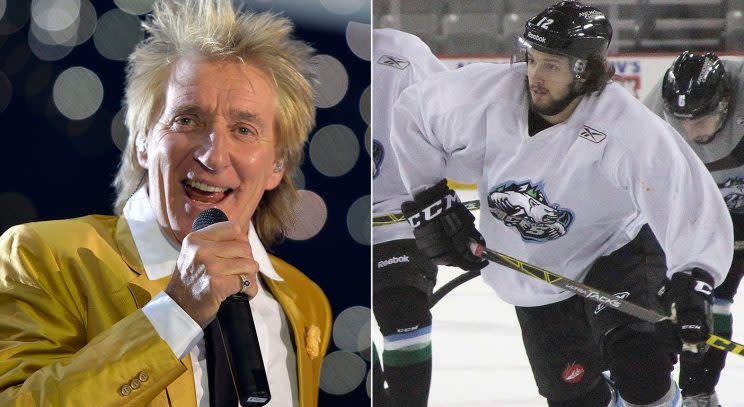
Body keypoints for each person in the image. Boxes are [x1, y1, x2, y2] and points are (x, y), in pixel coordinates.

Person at [389, 1, 733, 406]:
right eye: (531, 60)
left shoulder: (625, 127)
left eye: (551, 65)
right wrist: (433, 201)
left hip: (616, 253)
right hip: (537, 276)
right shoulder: (487, 94)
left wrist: (693, 279)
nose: (534, 76)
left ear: (585, 70)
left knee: (642, 373)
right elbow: (411, 116)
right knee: (577, 398)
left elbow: (685, 197)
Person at [0, 1, 331, 406]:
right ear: (142, 140)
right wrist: (177, 313)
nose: (213, 155)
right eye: (187, 120)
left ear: (278, 165)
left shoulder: (304, 301)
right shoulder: (42, 257)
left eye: (244, 129)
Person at [644, 51, 744, 407]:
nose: (693, 131)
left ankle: (698, 389)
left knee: (715, 298)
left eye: (705, 118)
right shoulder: (652, 112)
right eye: (683, 121)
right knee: (697, 301)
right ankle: (690, 389)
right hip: (702, 213)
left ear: (728, 100)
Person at [371, 28, 447, 407]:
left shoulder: (403, 51)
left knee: (403, 310)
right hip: (318, 225)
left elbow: (454, 116)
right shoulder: (289, 51)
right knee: (336, 333)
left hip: (397, 218)